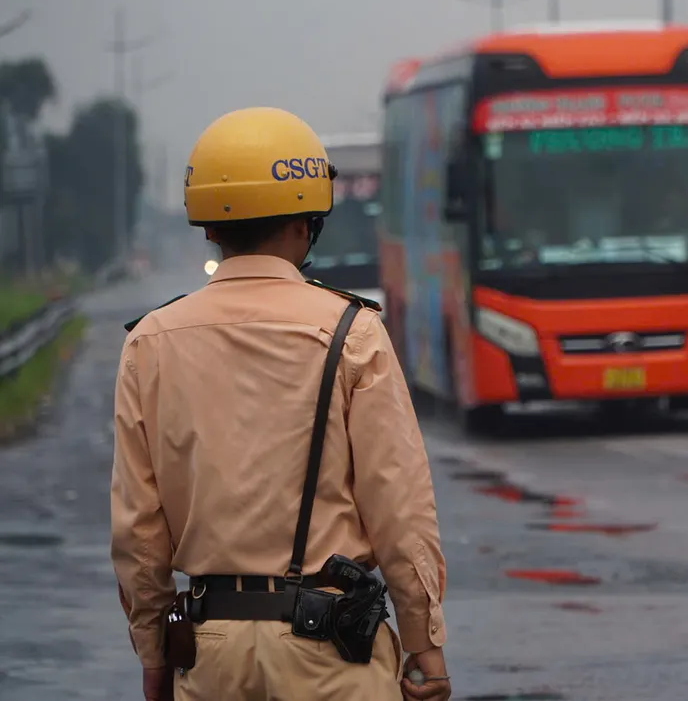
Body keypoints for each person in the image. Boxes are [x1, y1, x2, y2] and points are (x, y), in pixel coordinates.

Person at [110, 107, 451, 701]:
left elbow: (138, 530)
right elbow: (399, 507)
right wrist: (423, 642)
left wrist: (154, 652)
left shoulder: (149, 342)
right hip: (332, 653)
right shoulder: (352, 332)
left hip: (210, 656)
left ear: (209, 228)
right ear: (306, 222)